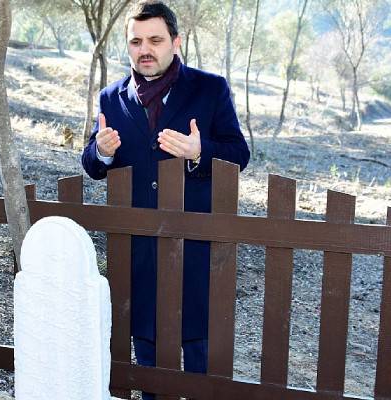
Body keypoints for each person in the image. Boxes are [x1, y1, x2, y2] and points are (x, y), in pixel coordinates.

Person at [81, 1, 250, 397]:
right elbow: (91, 163)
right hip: (139, 251)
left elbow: (239, 153)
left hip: (196, 247)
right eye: (136, 41)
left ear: (175, 42)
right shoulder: (111, 98)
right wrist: (101, 151)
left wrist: (199, 151)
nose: (145, 50)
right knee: (149, 358)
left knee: (201, 358)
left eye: (155, 40)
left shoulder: (210, 89)